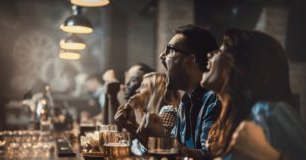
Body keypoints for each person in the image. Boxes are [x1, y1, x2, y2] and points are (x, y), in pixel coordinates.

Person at [201, 28, 306, 160]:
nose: (210, 54)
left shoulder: (270, 112)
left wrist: (271, 156)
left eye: (222, 50)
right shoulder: (231, 119)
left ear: (243, 65)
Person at [157, 24, 221, 156]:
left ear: (191, 60)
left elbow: (210, 155)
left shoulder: (213, 99)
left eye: (170, 50)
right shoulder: (186, 101)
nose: (162, 56)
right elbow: (176, 148)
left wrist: (157, 137)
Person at [114, 72, 180, 154]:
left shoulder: (168, 110)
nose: (137, 90)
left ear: (156, 91)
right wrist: (128, 125)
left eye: (143, 86)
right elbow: (140, 146)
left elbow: (153, 148)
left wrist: (137, 109)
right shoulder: (149, 113)